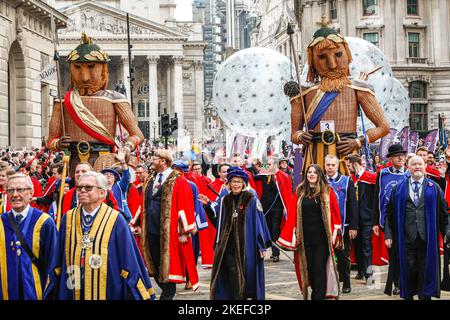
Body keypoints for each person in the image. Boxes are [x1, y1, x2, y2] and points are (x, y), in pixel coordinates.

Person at [285, 25, 389, 174]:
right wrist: (301, 136)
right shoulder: (303, 93)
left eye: (338, 54)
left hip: (346, 158)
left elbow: (384, 127)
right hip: (314, 160)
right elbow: (294, 134)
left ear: (347, 54)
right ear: (312, 60)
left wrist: (357, 141)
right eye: (321, 57)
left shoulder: (358, 88)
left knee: (347, 193)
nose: (332, 64)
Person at [44, 171, 155, 300]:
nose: (82, 191)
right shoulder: (68, 218)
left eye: (88, 187)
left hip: (107, 287)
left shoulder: (116, 220)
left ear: (102, 193)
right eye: (79, 187)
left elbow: (128, 259)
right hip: (73, 286)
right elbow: (58, 257)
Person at [47, 33, 144, 176]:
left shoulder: (115, 98)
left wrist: (127, 147)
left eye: (91, 67)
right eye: (78, 67)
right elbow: (51, 141)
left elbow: (137, 134)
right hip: (74, 163)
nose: (85, 76)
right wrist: (59, 144)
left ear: (103, 69)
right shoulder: (62, 101)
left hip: (104, 162)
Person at [198, 167, 271, 300]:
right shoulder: (225, 199)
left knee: (247, 276)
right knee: (230, 276)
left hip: (247, 246)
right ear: (229, 183)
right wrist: (208, 205)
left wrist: (261, 245)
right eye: (233, 181)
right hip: (228, 246)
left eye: (239, 181)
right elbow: (217, 218)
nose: (236, 184)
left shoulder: (251, 199)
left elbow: (259, 223)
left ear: (244, 183)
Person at [384, 156, 450, 300]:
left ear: (425, 165)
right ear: (408, 166)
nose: (417, 167)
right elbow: (389, 215)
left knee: (425, 272)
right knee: (409, 272)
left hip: (427, 240)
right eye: (414, 164)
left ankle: (424, 297)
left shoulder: (435, 188)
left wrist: (447, 231)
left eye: (420, 164)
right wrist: (388, 234)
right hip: (406, 240)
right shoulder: (398, 189)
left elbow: (444, 214)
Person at [277, 164, 342, 300]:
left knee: (319, 269)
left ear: (319, 175)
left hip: (322, 240)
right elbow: (292, 215)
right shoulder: (300, 191)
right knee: (310, 272)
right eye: (309, 172)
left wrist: (337, 233)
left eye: (314, 172)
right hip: (305, 239)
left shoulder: (327, 191)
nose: (311, 174)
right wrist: (289, 235)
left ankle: (317, 297)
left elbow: (336, 213)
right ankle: (316, 293)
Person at [141, 149, 199, 300]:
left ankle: (167, 295)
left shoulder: (179, 180)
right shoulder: (149, 179)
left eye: (154, 158)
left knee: (168, 271)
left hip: (169, 232)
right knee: (154, 267)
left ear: (162, 161)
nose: (151, 160)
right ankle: (167, 292)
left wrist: (184, 232)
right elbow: (144, 204)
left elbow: (185, 206)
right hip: (151, 231)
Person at [0, 173, 57, 300]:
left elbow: (53, 262)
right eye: (10, 190)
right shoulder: (1, 222)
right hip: (5, 292)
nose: (15, 194)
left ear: (31, 193)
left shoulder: (44, 222)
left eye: (20, 190)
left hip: (36, 291)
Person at [372, 144, 410, 294]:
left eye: (402, 155)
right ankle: (397, 283)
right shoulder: (382, 174)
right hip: (388, 221)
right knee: (393, 254)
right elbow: (376, 197)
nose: (401, 157)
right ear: (391, 158)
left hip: (407, 221)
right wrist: (375, 221)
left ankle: (405, 281)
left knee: (406, 254)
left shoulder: (409, 174)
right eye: (397, 155)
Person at [325, 155, 358, 293]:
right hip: (324, 226)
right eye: (328, 165)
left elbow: (352, 205)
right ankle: (327, 283)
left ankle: (346, 282)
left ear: (338, 166)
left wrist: (353, 226)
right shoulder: (320, 181)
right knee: (325, 256)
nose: (330, 168)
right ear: (325, 165)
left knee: (343, 256)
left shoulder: (346, 181)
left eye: (333, 165)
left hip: (342, 227)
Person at [253, 157, 293, 262]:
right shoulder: (264, 176)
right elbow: (252, 178)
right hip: (265, 208)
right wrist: (250, 165)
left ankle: (276, 253)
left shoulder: (283, 176)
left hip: (277, 208)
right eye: (267, 164)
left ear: (275, 165)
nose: (267, 166)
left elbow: (286, 193)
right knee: (267, 229)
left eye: (269, 164)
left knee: (275, 230)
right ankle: (268, 250)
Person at [347, 154, 377, 285]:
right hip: (355, 220)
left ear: (354, 164)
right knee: (357, 246)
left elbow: (376, 199)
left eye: (348, 165)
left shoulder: (371, 178)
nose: (348, 168)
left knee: (366, 246)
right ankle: (360, 270)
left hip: (367, 218)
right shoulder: (350, 179)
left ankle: (369, 274)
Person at [101, 151, 132, 222]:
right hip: (104, 217)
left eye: (111, 174)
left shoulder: (119, 185)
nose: (108, 175)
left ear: (115, 178)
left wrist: (123, 162)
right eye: (106, 174)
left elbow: (126, 177)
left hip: (120, 217)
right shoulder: (99, 187)